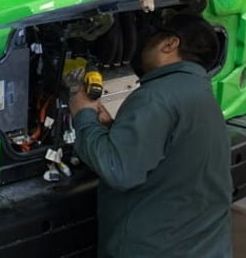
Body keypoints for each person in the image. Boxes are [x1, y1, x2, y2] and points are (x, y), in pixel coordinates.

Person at [69, 13, 232, 258]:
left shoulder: (156, 96)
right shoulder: (201, 94)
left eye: (151, 37)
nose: (143, 44)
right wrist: (116, 131)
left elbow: (118, 170)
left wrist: (84, 117)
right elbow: (171, 153)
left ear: (169, 44)